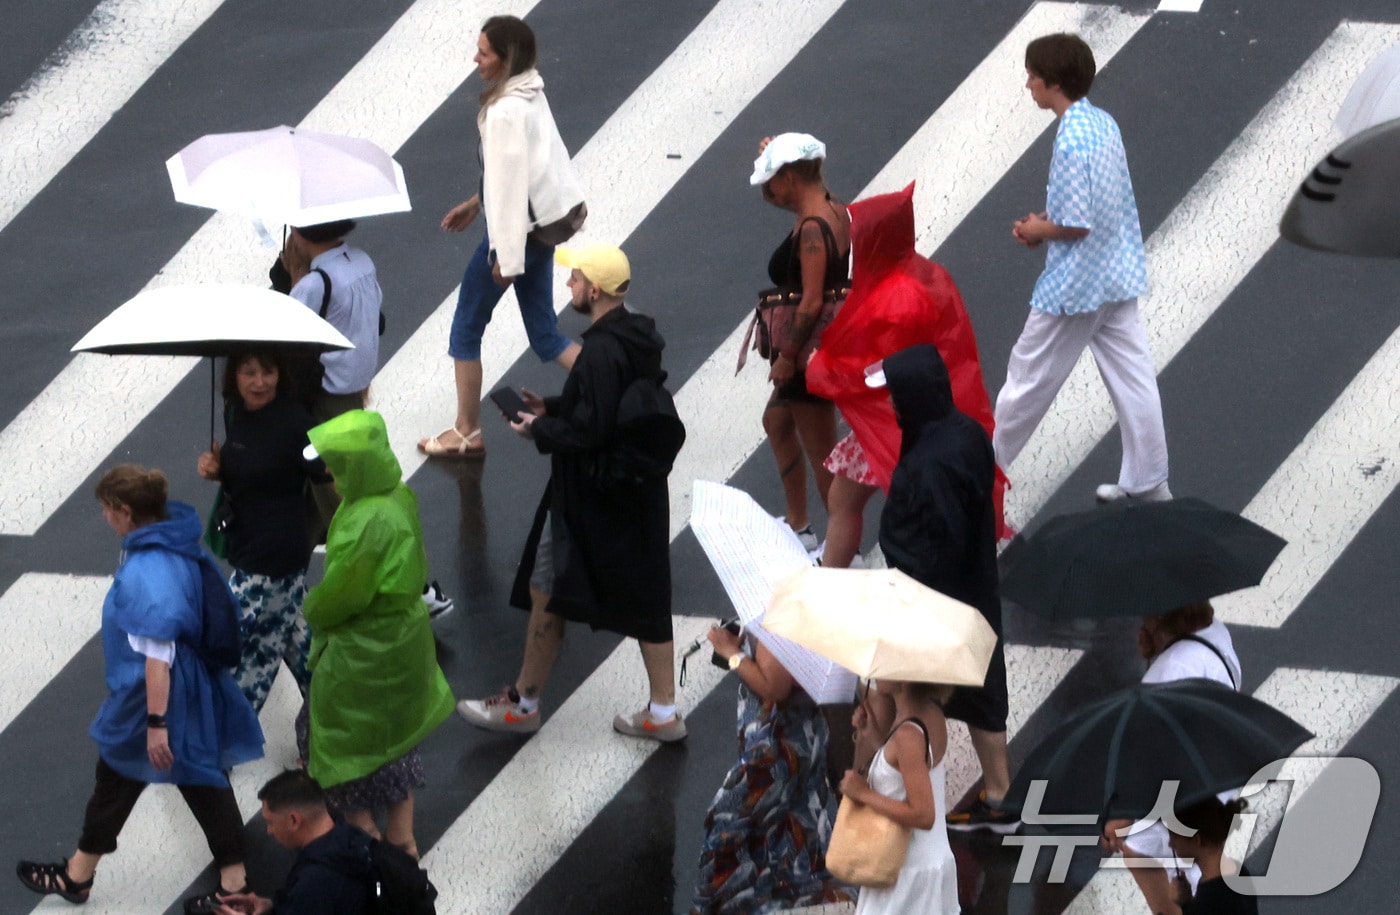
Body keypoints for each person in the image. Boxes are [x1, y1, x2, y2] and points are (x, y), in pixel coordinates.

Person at [456, 243, 684, 741]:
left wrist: (536, 430)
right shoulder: (634, 335)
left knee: (548, 585)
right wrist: (555, 406)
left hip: (590, 492)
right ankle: (664, 713)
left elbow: (593, 429)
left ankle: (523, 703)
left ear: (595, 289)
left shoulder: (600, 350)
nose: (569, 285)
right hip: (636, 491)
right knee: (647, 595)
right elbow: (609, 402)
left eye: (576, 279)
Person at [16, 465, 264, 914]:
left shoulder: (148, 572)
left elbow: (157, 656)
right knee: (179, 778)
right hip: (181, 691)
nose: (104, 518)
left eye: (107, 510)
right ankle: (82, 872)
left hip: (154, 699)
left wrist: (155, 724)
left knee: (151, 777)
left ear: (125, 512)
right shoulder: (175, 543)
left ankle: (82, 875)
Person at [993, 32, 1171, 504]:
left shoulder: (1070, 141)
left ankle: (981, 475)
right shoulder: (1102, 124)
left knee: (1025, 380)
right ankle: (1149, 480)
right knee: (1134, 380)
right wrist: (1045, 222)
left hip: (1075, 288)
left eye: (1033, 75)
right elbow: (1097, 205)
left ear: (1052, 82)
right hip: (1117, 275)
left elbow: (1075, 224)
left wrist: (1036, 229)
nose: (1028, 83)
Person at [805, 182, 1008, 570]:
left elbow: (872, 368)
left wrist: (820, 365)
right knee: (846, 501)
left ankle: (828, 583)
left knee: (846, 503)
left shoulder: (895, 296)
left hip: (896, 422)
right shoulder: (925, 275)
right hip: (921, 417)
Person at [420, 13, 586, 460]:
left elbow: (511, 191)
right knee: (545, 334)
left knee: (465, 332)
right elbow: (526, 169)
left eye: (484, 52)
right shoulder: (531, 91)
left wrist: (505, 260)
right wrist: (476, 203)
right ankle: (616, 380)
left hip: (515, 239)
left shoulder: (505, 111)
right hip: (539, 232)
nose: (476, 58)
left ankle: (467, 431)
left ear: (505, 57)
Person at [873, 344, 1017, 833]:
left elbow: (934, 541)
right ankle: (999, 796)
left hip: (931, 601)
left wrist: (899, 564)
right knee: (983, 694)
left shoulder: (925, 466)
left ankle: (885, 788)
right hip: (978, 589)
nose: (891, 404)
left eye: (895, 394)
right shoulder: (968, 433)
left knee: (897, 695)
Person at [299, 410, 456, 857]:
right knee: (395, 741)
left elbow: (343, 595)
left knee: (336, 740)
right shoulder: (397, 497)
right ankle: (404, 845)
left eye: (334, 461)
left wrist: (313, 609)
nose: (328, 469)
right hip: (404, 641)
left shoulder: (363, 520)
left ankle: (367, 840)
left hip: (361, 650)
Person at [690, 626, 852, 913]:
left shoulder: (778, 611)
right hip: (803, 731)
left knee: (727, 828)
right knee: (792, 829)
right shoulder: (805, 602)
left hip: (776, 743)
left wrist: (731, 653)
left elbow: (775, 686)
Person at [197, 351, 320, 712]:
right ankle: (349, 725)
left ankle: (223, 749)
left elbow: (322, 470)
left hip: (271, 558)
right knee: (305, 651)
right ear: (233, 377)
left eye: (268, 372)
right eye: (249, 372)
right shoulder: (237, 415)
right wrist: (218, 471)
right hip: (255, 547)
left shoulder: (295, 423)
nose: (260, 382)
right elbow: (248, 474)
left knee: (237, 649)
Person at [1101, 601, 1242, 915]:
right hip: (1213, 775)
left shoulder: (1169, 672)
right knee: (1197, 871)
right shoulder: (1214, 632)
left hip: (1177, 794)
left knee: (1146, 859)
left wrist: (1122, 815)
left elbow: (1151, 755)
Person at [749, 132, 849, 554]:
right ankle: (800, 526)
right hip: (814, 352)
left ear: (790, 177)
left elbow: (810, 300)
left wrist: (788, 357)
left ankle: (845, 551)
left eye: (770, 182)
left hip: (806, 356)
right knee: (777, 422)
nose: (767, 193)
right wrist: (774, 155)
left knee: (823, 455)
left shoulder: (812, 229)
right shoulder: (830, 207)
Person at [840, 680, 960, 914]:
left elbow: (924, 814)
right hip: (927, 861)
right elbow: (902, 770)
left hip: (905, 870)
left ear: (902, 678)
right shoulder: (928, 714)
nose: (876, 676)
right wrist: (872, 734)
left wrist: (863, 794)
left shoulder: (908, 736)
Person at [214, 770, 374, 915]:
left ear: (293, 820)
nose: (269, 831)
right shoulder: (351, 836)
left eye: (271, 822)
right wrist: (271, 902)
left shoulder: (312, 883)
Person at [1169, 797, 1258, 915]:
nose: (1170, 844)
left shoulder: (1208, 901)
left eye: (1173, 836)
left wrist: (1185, 905)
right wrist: (1188, 902)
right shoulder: (1237, 869)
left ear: (1196, 840)